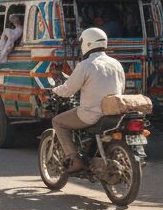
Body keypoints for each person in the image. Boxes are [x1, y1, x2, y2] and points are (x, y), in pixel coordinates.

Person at [50, 28, 125, 173]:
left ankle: (75, 159)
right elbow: (121, 89)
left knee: (58, 122)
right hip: (113, 114)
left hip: (91, 115)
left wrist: (55, 90)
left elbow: (68, 90)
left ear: (87, 44)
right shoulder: (116, 63)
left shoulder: (86, 65)